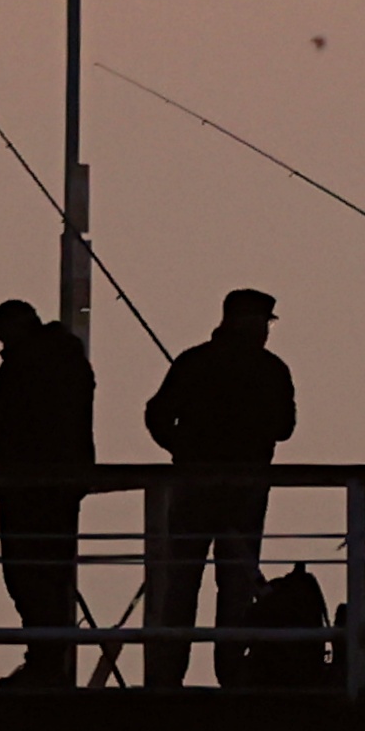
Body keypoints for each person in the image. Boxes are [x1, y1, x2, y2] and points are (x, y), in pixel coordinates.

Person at [142, 288, 298, 687]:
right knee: (236, 580)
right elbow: (285, 428)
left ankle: (170, 670)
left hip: (193, 484)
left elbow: (157, 414)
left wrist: (181, 450)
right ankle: (230, 670)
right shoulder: (271, 369)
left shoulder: (193, 362)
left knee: (182, 579)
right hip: (246, 487)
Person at [0, 300, 92, 691]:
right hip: (64, 484)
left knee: (25, 574)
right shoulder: (71, 359)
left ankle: (43, 663)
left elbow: (5, 420)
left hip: (25, 486)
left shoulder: (22, 364)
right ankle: (49, 660)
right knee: (54, 573)